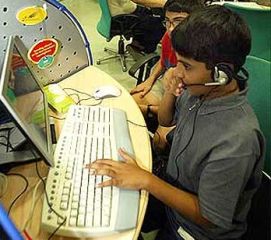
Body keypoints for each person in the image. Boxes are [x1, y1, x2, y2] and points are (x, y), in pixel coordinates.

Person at [87, 5, 265, 240]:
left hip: (193, 230)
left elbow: (210, 217)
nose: (177, 71)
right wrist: (171, 91)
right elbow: (166, 119)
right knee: (98, 209)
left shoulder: (236, 142)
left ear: (221, 73)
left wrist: (147, 180)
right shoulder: (199, 90)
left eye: (186, 66)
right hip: (172, 192)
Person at [130, 0, 203, 152]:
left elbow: (187, 105)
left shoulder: (200, 52)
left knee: (161, 140)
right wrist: (149, 81)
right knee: (131, 102)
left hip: (184, 97)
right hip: (168, 86)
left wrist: (148, 109)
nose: (171, 29)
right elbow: (164, 61)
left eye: (178, 22)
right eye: (167, 22)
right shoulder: (169, 36)